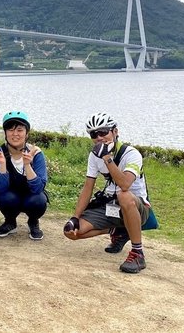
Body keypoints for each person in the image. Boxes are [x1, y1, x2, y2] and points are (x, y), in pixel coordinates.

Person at [63, 113, 152, 274]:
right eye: (93, 134)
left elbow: (125, 184)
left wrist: (107, 158)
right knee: (72, 233)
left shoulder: (131, 154)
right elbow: (88, 187)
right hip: (111, 205)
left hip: (137, 207)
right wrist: (75, 218)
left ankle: (137, 253)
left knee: (123, 195)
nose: (99, 138)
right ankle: (118, 231)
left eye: (103, 132)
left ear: (115, 131)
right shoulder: (93, 156)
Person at [0, 111, 49, 240]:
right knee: (3, 197)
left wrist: (27, 165)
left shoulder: (36, 153)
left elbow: (38, 188)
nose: (15, 134)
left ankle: (33, 221)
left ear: (27, 133)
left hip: (31, 195)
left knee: (38, 200)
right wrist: (2, 164)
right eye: (10, 130)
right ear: (5, 133)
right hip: (9, 195)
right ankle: (10, 222)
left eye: (20, 130)